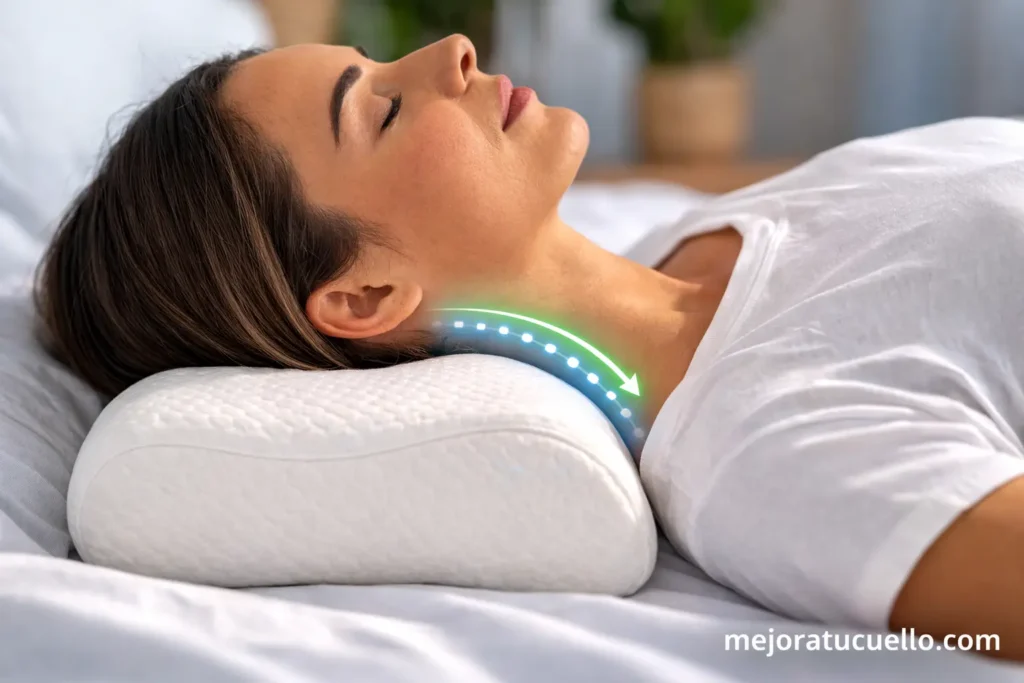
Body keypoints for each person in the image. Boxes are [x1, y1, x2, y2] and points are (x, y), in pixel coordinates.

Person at [35, 35, 1024, 660]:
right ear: (366, 294)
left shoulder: (719, 225)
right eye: (382, 108)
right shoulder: (773, 452)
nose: (452, 52)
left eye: (380, 64)